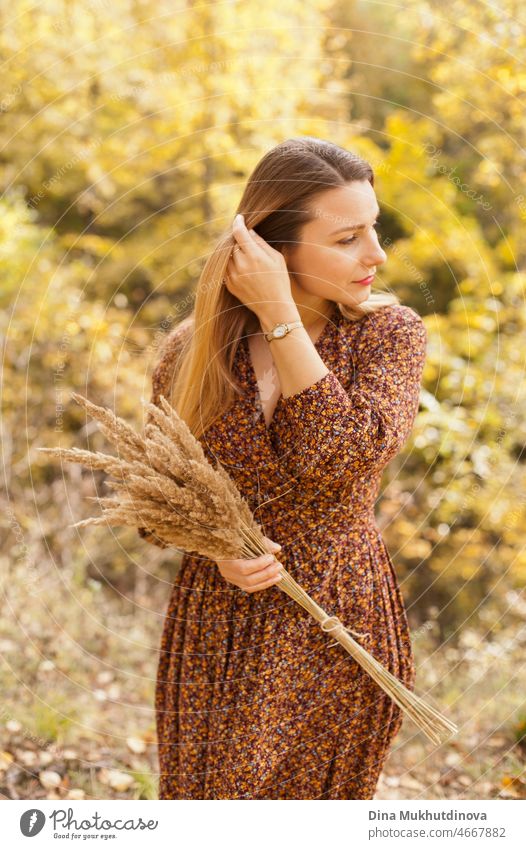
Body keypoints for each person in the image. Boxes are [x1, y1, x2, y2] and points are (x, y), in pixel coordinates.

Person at [138, 136, 428, 800]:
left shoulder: (390, 336)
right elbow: (156, 503)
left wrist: (278, 316)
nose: (376, 255)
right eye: (348, 237)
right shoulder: (194, 349)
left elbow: (345, 456)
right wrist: (215, 550)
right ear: (273, 247)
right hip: (218, 626)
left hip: (340, 614)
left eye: (373, 229)